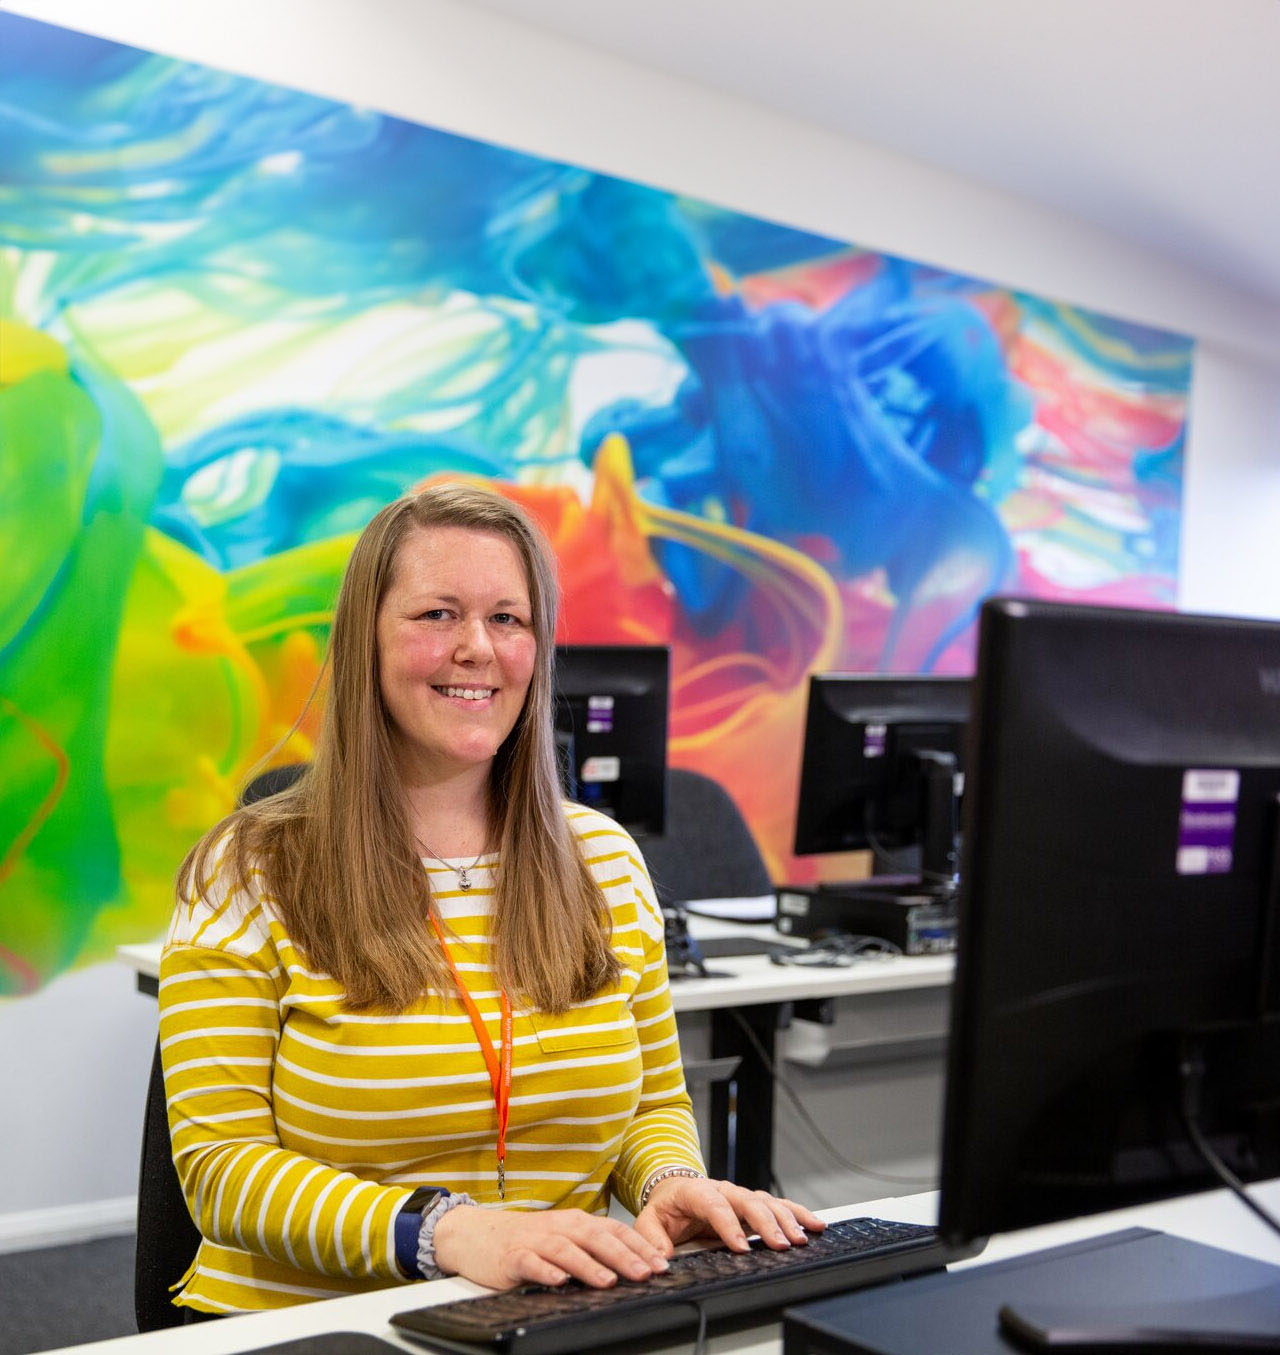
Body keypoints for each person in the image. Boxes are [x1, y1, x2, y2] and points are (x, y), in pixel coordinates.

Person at [159, 480, 824, 1315]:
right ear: (365, 641)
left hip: (549, 1315)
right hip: (306, 1327)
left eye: (508, 618)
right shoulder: (249, 869)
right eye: (436, 614)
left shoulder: (604, 861)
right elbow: (222, 1171)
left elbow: (652, 1102)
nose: (478, 647)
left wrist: (669, 1179)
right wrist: (450, 1232)